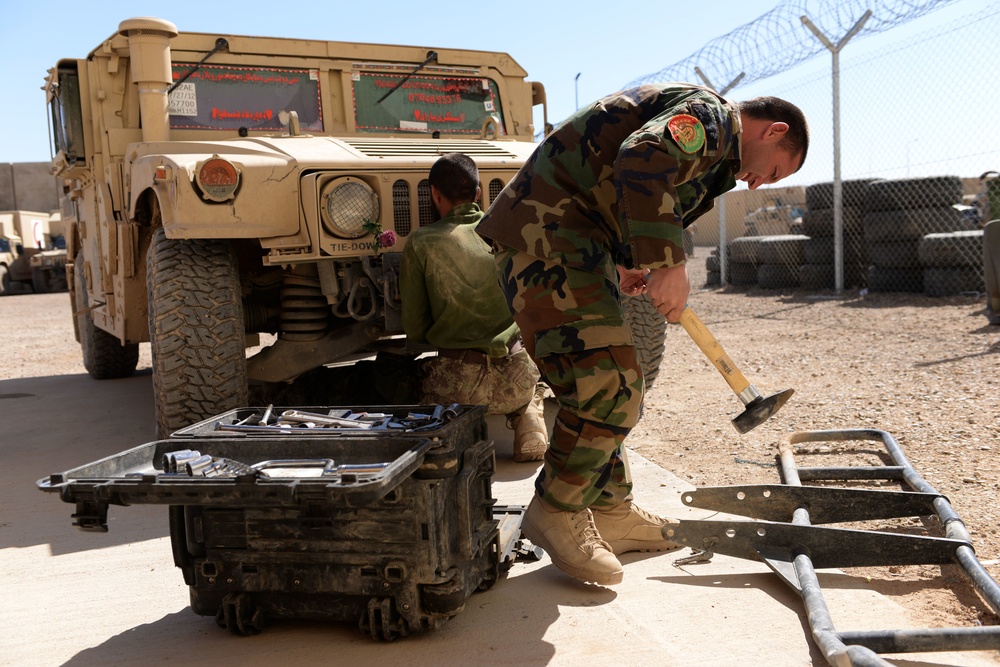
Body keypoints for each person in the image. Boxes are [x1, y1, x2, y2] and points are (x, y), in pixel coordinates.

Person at [477, 84, 809, 585]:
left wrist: (627, 261)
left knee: (616, 383)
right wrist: (668, 262)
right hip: (545, 239)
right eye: (775, 170)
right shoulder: (712, 118)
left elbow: (619, 187)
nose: (760, 184)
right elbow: (644, 155)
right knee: (606, 384)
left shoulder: (716, 148)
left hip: (574, 242)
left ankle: (611, 510)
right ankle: (555, 509)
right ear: (773, 131)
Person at [400, 152, 548, 462]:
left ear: (434, 194)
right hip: (516, 379)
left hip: (458, 387)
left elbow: (415, 329)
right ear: (478, 194)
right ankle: (528, 417)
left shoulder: (421, 241)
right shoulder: (508, 230)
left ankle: (449, 433)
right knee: (531, 383)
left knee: (400, 381)